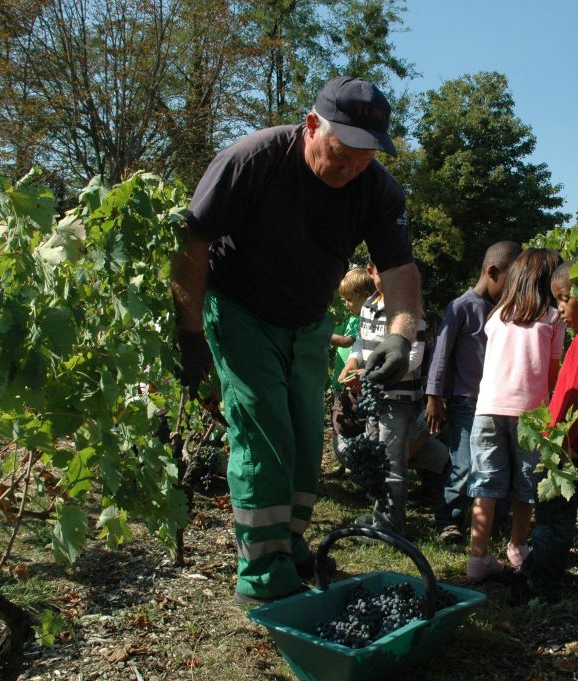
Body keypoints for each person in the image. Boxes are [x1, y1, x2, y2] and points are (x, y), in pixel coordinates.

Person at [170, 76, 422, 605]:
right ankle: (262, 574)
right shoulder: (253, 158)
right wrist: (189, 335)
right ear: (312, 125)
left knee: (306, 441)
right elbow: (193, 242)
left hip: (308, 322)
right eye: (343, 150)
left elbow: (400, 270)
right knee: (264, 433)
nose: (353, 166)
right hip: (240, 310)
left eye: (366, 156)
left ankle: (289, 543)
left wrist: (400, 337)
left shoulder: (377, 190)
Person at [511, 260, 578, 603]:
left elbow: (571, 399)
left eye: (564, 299)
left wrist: (554, 442)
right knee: (561, 518)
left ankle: (543, 587)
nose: (559, 309)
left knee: (551, 521)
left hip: (567, 450)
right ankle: (541, 576)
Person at [465, 249, 565, 581]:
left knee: (486, 484)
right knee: (526, 487)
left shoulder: (497, 316)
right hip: (530, 415)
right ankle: (517, 548)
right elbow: (551, 377)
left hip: (487, 409)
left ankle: (477, 559)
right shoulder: (553, 319)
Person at [424, 241, 522, 543]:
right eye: (510, 284)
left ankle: (495, 523)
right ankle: (449, 519)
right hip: (466, 403)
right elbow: (441, 354)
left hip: (497, 404)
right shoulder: (461, 307)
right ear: (492, 272)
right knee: (464, 464)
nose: (512, 292)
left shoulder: (505, 312)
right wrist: (434, 396)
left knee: (497, 466)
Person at [339, 263, 428, 537]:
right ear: (370, 271)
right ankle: (381, 515)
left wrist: (370, 374)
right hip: (375, 395)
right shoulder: (368, 305)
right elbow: (359, 344)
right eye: (380, 271)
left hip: (398, 398)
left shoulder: (410, 309)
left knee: (392, 462)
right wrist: (353, 363)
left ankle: (391, 525)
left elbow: (414, 357)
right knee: (377, 457)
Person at [328, 268, 377, 468]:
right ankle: (347, 463)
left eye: (349, 299)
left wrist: (321, 333)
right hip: (345, 377)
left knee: (349, 421)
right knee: (341, 419)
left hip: (356, 381)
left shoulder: (362, 319)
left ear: (365, 296)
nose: (346, 304)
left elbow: (348, 341)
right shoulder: (354, 317)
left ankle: (356, 463)